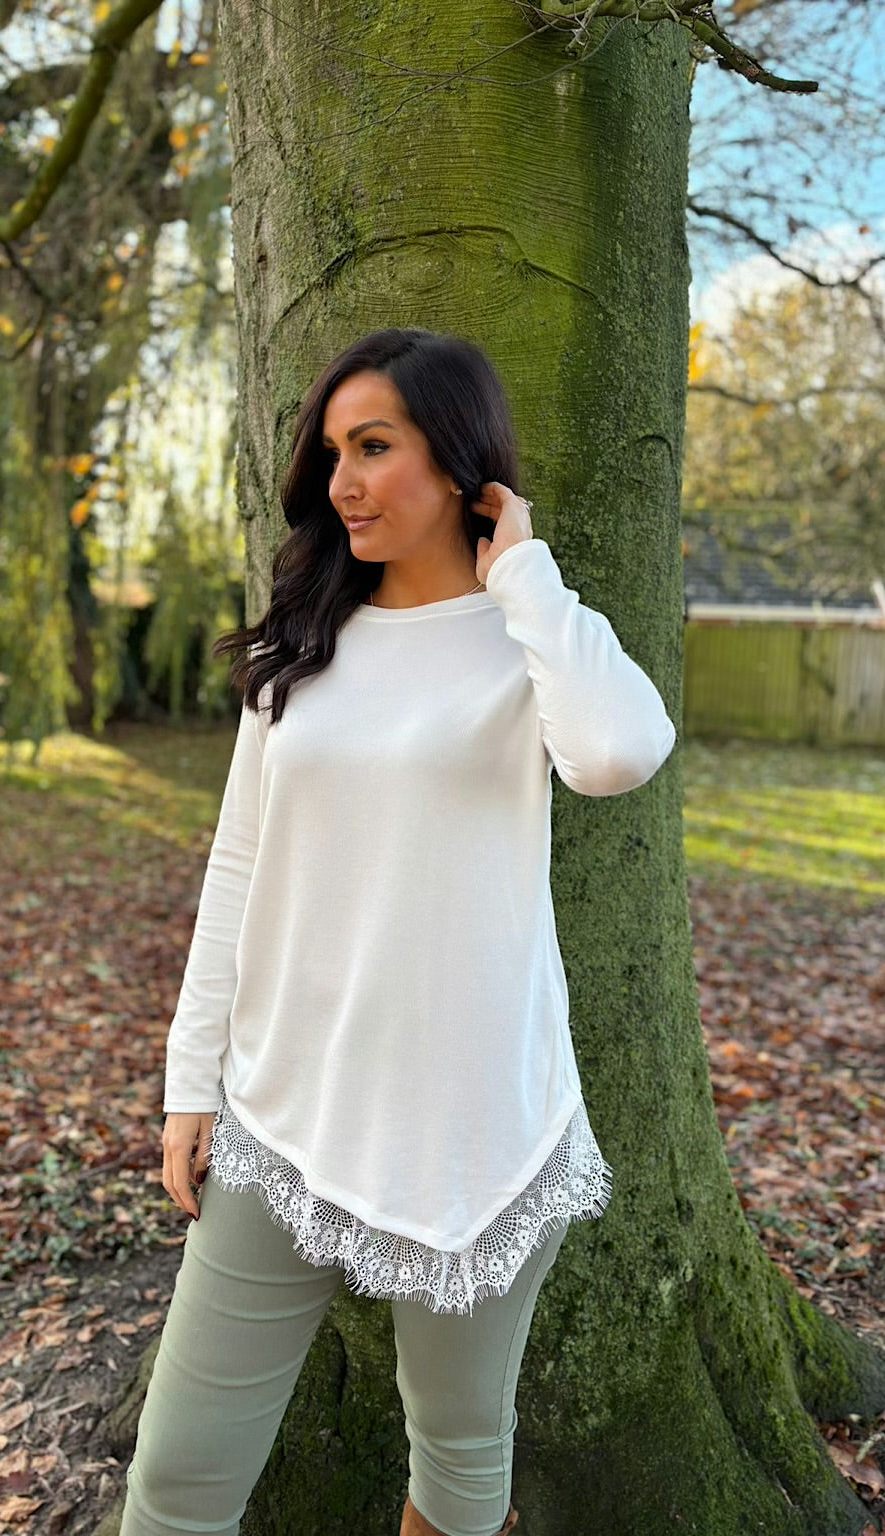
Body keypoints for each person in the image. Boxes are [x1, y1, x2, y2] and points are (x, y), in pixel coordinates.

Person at [119, 328, 677, 1536]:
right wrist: (189, 1082)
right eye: (333, 454)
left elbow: (620, 753)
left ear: (461, 461)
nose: (344, 484)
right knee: (177, 1479)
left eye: (373, 447)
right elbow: (239, 864)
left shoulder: (533, 640)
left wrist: (524, 573)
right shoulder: (302, 646)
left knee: (462, 1459)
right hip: (286, 1111)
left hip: (477, 1128)